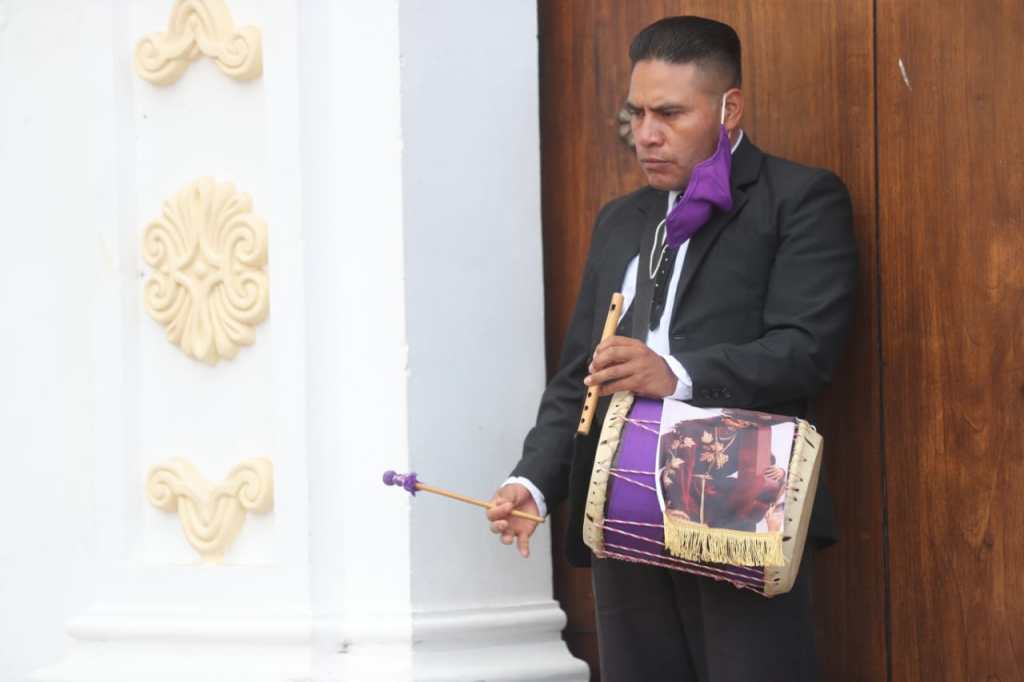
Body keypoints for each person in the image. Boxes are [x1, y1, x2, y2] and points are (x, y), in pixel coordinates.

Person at [485, 15, 857, 682]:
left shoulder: (800, 199)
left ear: (729, 108)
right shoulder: (620, 219)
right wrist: (533, 482)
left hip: (742, 500)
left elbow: (807, 348)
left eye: (670, 113)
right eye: (637, 113)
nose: (646, 134)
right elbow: (581, 374)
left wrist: (675, 374)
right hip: (618, 506)